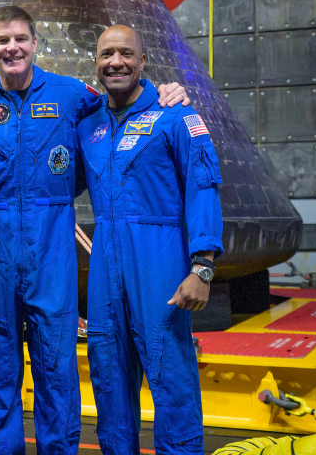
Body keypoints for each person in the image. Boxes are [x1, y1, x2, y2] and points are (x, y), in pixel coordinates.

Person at [0, 6, 190, 455]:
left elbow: (122, 104)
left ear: (35, 44)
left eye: (21, 39)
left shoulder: (71, 95)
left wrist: (167, 91)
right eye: (3, 40)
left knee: (56, 368)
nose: (13, 48)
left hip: (52, 250)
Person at [76, 24, 224, 455]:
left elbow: (204, 187)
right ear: (97, 63)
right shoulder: (88, 127)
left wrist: (202, 266)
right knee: (108, 373)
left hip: (159, 258)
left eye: (125, 54)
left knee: (169, 371)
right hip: (105, 262)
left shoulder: (176, 116)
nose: (115, 62)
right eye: (106, 55)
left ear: (143, 62)